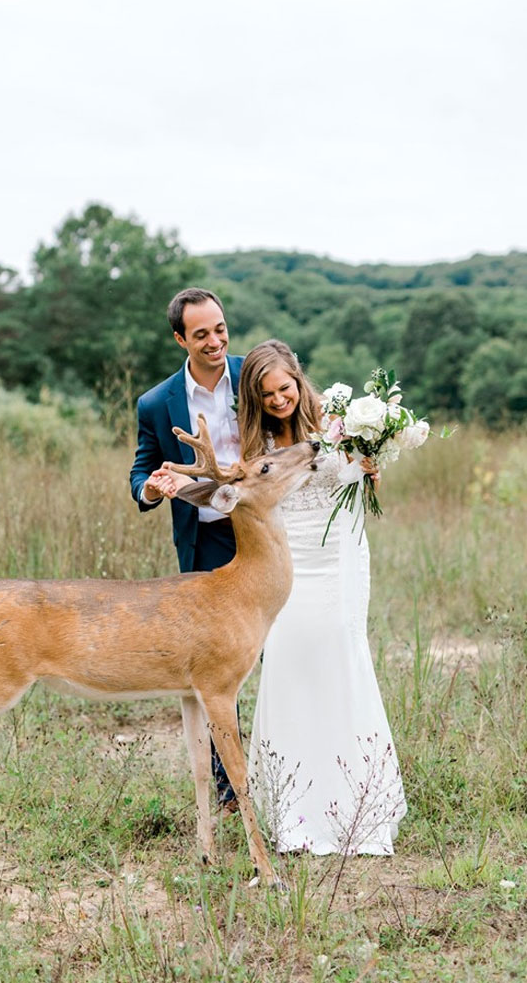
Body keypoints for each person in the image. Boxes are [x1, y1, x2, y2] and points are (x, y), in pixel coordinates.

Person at [239, 339, 407, 855]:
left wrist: (370, 471)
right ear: (255, 399)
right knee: (288, 665)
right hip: (287, 568)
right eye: (266, 395)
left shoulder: (335, 424)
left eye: (284, 389)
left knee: (339, 660)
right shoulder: (256, 444)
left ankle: (356, 803)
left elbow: (358, 486)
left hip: (337, 559)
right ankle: (295, 810)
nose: (278, 400)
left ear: (297, 378)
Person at [129, 288, 243, 810]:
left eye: (220, 329)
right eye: (202, 335)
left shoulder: (254, 375)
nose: (216, 341)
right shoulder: (156, 403)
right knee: (216, 669)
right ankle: (229, 790)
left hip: (265, 531)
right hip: (208, 541)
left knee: (277, 650)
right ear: (180, 339)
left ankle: (286, 764)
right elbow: (141, 470)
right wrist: (152, 489)